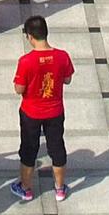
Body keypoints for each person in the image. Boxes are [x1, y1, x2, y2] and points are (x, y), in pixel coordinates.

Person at [10, 15, 74, 204]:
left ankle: (26, 188)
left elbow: (19, 89)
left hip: (31, 112)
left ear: (30, 36)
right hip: (55, 111)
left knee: (29, 150)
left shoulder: (26, 61)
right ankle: (60, 188)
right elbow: (68, 79)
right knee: (57, 148)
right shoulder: (62, 56)